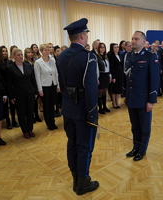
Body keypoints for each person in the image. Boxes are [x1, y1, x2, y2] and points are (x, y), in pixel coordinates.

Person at [58, 18, 99, 195]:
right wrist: (93, 115)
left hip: (68, 108)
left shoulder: (61, 55)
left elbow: (61, 83)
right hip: (83, 111)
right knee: (84, 147)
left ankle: (75, 177)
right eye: (86, 34)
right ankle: (82, 182)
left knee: (72, 144)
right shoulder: (88, 56)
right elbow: (91, 89)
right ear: (82, 35)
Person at [124, 31, 160, 161]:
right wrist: (125, 95)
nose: (133, 41)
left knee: (144, 127)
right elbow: (127, 77)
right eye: (132, 38)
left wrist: (151, 100)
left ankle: (142, 150)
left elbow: (154, 80)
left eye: (136, 39)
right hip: (132, 98)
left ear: (144, 42)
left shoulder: (151, 56)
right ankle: (135, 147)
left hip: (144, 99)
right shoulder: (128, 55)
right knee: (135, 126)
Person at [6, 49, 37, 139]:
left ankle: (30, 129)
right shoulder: (10, 68)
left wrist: (35, 91)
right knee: (21, 113)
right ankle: (25, 130)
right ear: (14, 56)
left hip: (30, 92)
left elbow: (33, 79)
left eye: (21, 54)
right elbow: (9, 84)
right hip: (18, 94)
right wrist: (10, 96)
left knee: (30, 112)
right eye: (18, 55)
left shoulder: (28, 65)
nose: (21, 56)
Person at [34, 44, 60, 130]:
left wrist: (58, 85)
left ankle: (53, 122)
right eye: (45, 50)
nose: (47, 51)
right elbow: (37, 76)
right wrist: (40, 89)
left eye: (48, 50)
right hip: (44, 86)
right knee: (47, 105)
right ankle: (48, 123)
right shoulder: (38, 62)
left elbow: (56, 73)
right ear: (41, 51)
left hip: (53, 84)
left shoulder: (52, 60)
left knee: (52, 104)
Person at [0, 46, 20, 129]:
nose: (5, 52)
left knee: (13, 104)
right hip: (3, 87)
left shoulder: (10, 62)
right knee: (5, 106)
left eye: (6, 51)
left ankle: (14, 120)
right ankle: (8, 121)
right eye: (3, 51)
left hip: (12, 86)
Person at [24, 47, 42, 123]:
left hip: (36, 82)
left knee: (36, 101)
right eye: (28, 53)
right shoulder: (24, 63)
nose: (30, 54)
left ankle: (37, 115)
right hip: (29, 84)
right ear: (25, 54)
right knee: (30, 103)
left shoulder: (35, 62)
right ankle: (31, 116)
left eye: (31, 52)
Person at [97, 42, 111, 114]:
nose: (103, 49)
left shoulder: (106, 56)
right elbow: (96, 68)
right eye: (101, 47)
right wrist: (97, 78)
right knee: (100, 92)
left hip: (106, 75)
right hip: (100, 75)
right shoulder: (97, 57)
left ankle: (105, 106)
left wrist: (110, 76)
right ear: (99, 49)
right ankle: (100, 108)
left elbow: (109, 67)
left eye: (104, 47)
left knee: (105, 91)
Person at [108, 43, 123, 108]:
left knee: (118, 89)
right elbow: (111, 67)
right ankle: (114, 102)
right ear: (112, 48)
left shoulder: (120, 55)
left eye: (117, 47)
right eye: (115, 47)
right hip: (114, 74)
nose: (117, 48)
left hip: (120, 74)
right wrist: (113, 76)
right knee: (114, 89)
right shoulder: (111, 56)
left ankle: (117, 101)